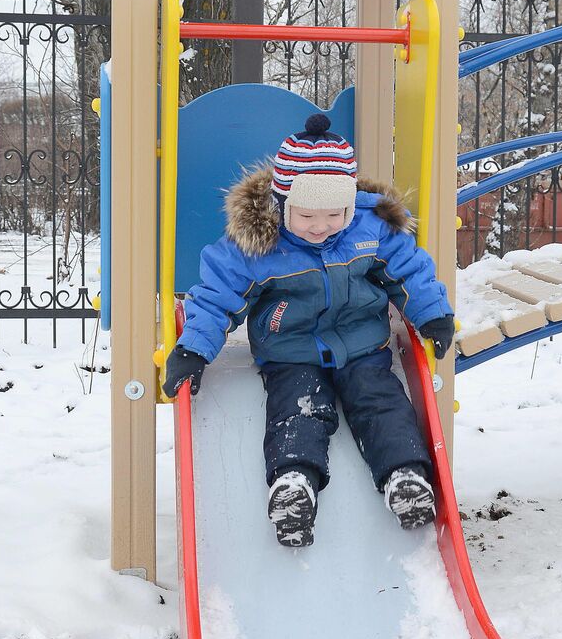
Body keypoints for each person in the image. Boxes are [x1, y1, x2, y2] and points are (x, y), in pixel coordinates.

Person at [163, 113, 455, 547]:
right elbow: (215, 296)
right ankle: (293, 485)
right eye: (306, 216)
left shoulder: (371, 228)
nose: (320, 226)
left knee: (380, 400)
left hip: (361, 345)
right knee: (298, 406)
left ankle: (404, 476)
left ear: (351, 205)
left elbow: (409, 268)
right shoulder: (258, 245)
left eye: (335, 214)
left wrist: (432, 312)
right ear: (282, 205)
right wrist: (194, 350)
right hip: (290, 349)